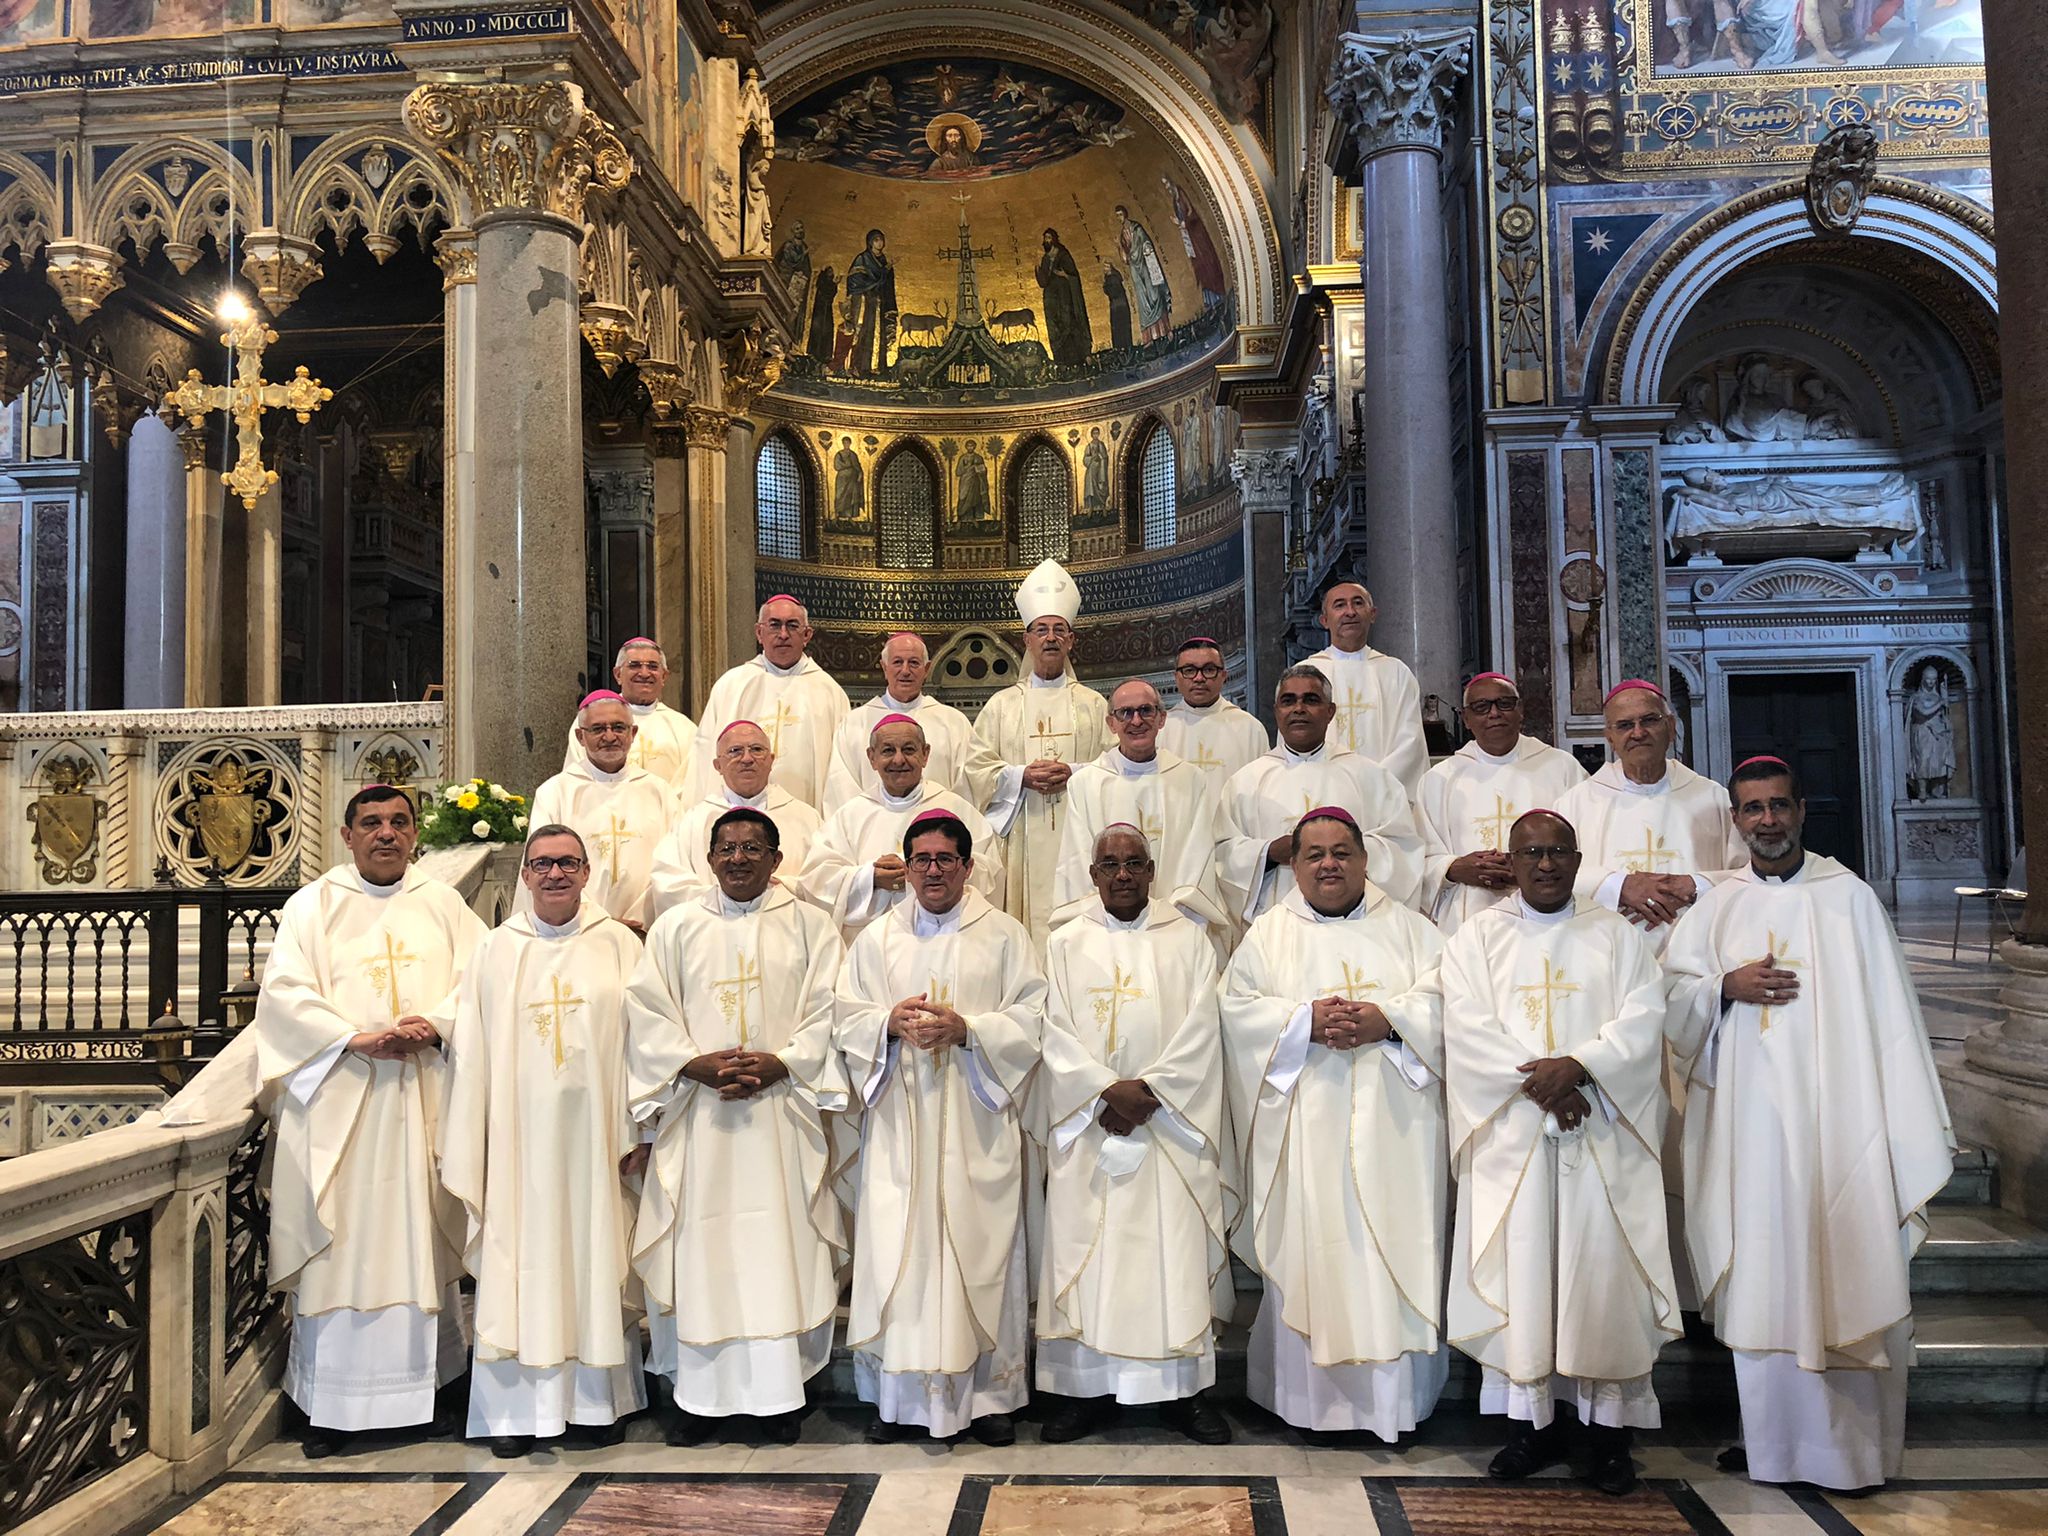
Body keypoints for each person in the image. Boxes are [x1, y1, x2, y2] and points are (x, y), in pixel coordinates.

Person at [1665, 757, 1954, 1493]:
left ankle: (1854, 1456)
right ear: (1735, 820)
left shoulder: (1849, 899)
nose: (1767, 820)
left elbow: (1892, 1024)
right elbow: (1669, 1003)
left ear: (1801, 811)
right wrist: (1723, 987)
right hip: (1750, 1135)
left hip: (1841, 1130)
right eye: (1753, 809)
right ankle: (1775, 1447)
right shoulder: (1716, 905)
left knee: (1847, 1266)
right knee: (1766, 1274)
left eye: (1779, 806)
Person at [1441, 811, 1677, 1498]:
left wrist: (1579, 1067)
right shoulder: (1476, 938)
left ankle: (1607, 1436)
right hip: (1514, 1139)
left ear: (1578, 861)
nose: (1544, 865)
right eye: (1530, 853)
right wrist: (1546, 1083)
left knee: (1598, 1277)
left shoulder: (1617, 937)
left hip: (1600, 1134)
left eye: (1557, 853)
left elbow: (1643, 1018)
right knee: (1526, 1276)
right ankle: (1531, 1429)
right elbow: (1466, 1024)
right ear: (1510, 863)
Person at [253, 784, 486, 1455]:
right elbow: (285, 994)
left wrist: (435, 1023)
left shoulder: (442, 905)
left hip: (418, 1097)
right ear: (347, 834)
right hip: (339, 1106)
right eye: (372, 823)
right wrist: (352, 1039)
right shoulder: (314, 905)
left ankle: (430, 1389)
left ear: (416, 834)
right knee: (341, 1248)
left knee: (418, 1242)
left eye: (399, 823)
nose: (387, 834)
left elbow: (481, 981)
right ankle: (334, 1406)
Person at [1220, 807, 1448, 1443]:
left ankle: (1394, 1404)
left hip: (1395, 1134)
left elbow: (1448, 998)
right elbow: (1236, 1011)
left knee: (1393, 1251)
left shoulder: (1411, 930)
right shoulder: (1267, 935)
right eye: (1314, 853)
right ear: (1293, 865)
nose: (1328, 864)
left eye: (1342, 852)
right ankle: (1307, 1403)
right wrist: (1303, 1022)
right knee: (1311, 1246)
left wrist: (1391, 1019)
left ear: (1365, 860)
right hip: (1305, 1131)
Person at [626, 806, 850, 1445]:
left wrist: (784, 1061)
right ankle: (699, 1400)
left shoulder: (811, 927)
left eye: (754, 848)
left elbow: (829, 1007)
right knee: (705, 1250)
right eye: (726, 848)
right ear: (709, 858)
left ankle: (778, 1397)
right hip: (701, 1115)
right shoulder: (674, 929)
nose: (739, 858)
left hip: (781, 1115)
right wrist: (691, 1063)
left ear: (777, 860)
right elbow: (646, 1012)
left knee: (775, 1249)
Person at [833, 811, 1046, 1444]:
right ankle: (898, 1398)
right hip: (900, 1121)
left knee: (980, 1249)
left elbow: (1033, 1016)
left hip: (977, 1121)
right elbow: (845, 1015)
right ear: (906, 869)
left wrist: (971, 1030)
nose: (932, 870)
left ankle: (991, 1397)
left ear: (967, 866)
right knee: (901, 1248)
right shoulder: (876, 939)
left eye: (944, 859)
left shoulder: (1005, 936)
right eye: (921, 859)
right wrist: (885, 1024)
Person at [440, 825, 648, 1458]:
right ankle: (513, 1413)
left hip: (595, 1143)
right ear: (525, 876)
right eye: (542, 864)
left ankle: (594, 1405)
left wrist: (640, 1125)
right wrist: (474, 1135)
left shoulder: (620, 946)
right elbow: (470, 1053)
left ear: (588, 873)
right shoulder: (495, 951)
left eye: (568, 863)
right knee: (517, 1262)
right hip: (515, 1144)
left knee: (592, 1254)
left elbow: (646, 1042)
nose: (555, 874)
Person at [1035, 826, 1235, 1445]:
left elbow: (1205, 1026)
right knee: (1086, 1255)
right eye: (1109, 865)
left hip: (1169, 1128)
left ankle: (1183, 1394)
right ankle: (1084, 1392)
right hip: (1091, 1123)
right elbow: (1052, 1029)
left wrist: (1151, 1094)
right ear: (1091, 875)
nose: (1122, 874)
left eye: (1134, 864)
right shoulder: (1065, 944)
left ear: (1153, 870)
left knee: (1172, 1254)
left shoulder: (1191, 942)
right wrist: (1101, 1090)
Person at [969, 558, 1111, 951]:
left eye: (1059, 630)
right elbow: (976, 769)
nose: (1050, 638)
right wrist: (1020, 777)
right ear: (1026, 640)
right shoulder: (1001, 706)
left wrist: (1075, 772)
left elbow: (1116, 768)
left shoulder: (1094, 705)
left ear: (1071, 641)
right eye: (1041, 630)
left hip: (1080, 836)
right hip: (1021, 841)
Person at [1217, 664, 1421, 922]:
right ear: (1277, 711)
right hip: (1277, 928)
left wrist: (1342, 849)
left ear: (1330, 711)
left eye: (1311, 700)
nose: (1298, 709)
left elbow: (1401, 846)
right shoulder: (1245, 782)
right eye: (1288, 701)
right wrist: (1267, 853)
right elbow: (1223, 853)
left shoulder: (1370, 776)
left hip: (1357, 923)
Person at [1553, 682, 1746, 950]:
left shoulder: (1713, 798)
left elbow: (1748, 875)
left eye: (1649, 720)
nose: (1638, 733)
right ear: (1609, 736)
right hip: (1607, 952)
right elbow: (1552, 875)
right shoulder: (1575, 803)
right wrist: (1618, 885)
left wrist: (1696, 884)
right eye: (1624, 725)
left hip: (1697, 954)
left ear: (1670, 726)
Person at [803, 713, 1003, 939]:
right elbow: (816, 879)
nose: (899, 760)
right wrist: (869, 878)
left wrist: (917, 870)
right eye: (888, 751)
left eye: (909, 750)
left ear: (925, 754)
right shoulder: (849, 815)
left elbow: (988, 872)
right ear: (872, 758)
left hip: (947, 938)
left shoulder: (957, 809)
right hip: (871, 945)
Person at [1052, 680, 1226, 939]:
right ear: (1111, 724)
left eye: (1146, 710)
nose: (1136, 721)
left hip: (1173, 925)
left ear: (1162, 718)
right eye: (1125, 713)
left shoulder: (1190, 780)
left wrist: (1168, 918)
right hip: (1106, 929)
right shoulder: (1086, 783)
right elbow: (1077, 859)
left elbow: (1197, 855)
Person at [1419, 673, 1587, 936]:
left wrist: (1529, 866)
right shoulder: (1440, 779)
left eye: (1504, 704)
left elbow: (1585, 844)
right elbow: (1417, 857)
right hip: (1468, 913)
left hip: (1548, 914)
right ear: (1466, 719)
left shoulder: (1561, 768)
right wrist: (1454, 868)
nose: (1494, 713)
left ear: (1520, 710)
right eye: (1481, 707)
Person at [528, 690, 679, 932]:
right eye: (598, 729)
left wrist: (642, 916)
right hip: (579, 929)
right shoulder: (555, 793)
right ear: (580, 736)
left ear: (633, 733)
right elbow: (544, 867)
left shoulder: (660, 792)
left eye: (619, 727)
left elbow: (675, 863)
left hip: (649, 928)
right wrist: (598, 921)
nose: (609, 736)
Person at [690, 595, 851, 809]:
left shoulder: (829, 692)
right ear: (759, 632)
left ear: (807, 635)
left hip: (807, 817)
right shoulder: (732, 685)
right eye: (774, 625)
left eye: (792, 626)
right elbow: (706, 754)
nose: (783, 634)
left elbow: (841, 770)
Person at [649, 721, 822, 914]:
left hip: (785, 926)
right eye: (735, 751)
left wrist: (781, 887)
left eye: (756, 749)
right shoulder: (694, 821)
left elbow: (824, 883)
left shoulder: (806, 818)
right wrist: (726, 900)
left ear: (771, 760)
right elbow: (668, 881)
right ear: (718, 765)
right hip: (714, 928)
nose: (747, 758)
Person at [825, 631, 991, 812]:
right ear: (884, 667)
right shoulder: (854, 724)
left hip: (937, 831)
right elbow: (840, 786)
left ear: (926, 669)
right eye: (897, 662)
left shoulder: (953, 722)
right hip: (871, 833)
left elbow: (970, 785)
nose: (905, 671)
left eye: (914, 663)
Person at [1305, 582, 1430, 804]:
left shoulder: (1396, 672)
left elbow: (1410, 744)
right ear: (1324, 620)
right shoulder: (1305, 675)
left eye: (1358, 603)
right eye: (1340, 605)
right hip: (1324, 798)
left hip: (1384, 801)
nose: (1350, 612)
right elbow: (1296, 742)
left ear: (1372, 614)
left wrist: (1370, 787)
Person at [563, 640, 695, 789]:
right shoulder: (591, 720)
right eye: (634, 665)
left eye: (652, 666)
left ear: (663, 676)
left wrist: (663, 805)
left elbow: (692, 786)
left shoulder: (685, 729)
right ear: (618, 674)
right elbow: (576, 778)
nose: (645, 673)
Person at [1159, 636, 1270, 790]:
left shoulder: (1249, 728)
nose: (1199, 678)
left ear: (1223, 676)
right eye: (1189, 670)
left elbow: (1263, 788)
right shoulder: (1161, 730)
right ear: (1176, 678)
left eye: (1209, 670)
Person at [1036, 227, 1093, 367]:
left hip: (1064, 294)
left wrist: (1065, 275)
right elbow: (1043, 282)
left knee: (1068, 321)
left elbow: (1073, 275)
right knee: (1055, 326)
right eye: (1045, 238)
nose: (1046, 241)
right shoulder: (1045, 258)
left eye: (1048, 238)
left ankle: (1080, 357)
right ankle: (1061, 360)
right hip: (1051, 297)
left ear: (1054, 239)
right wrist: (1038, 272)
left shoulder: (1062, 254)